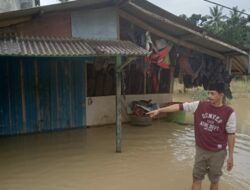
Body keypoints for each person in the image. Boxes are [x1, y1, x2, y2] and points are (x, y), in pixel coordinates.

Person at [146, 82, 236, 190]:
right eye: (208, 93)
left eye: (213, 94)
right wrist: (160, 110)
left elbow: (231, 134)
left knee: (214, 180)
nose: (209, 96)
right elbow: (179, 106)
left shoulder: (229, 112)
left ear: (221, 95)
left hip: (218, 153)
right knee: (196, 179)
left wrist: (231, 156)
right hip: (201, 150)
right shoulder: (199, 105)